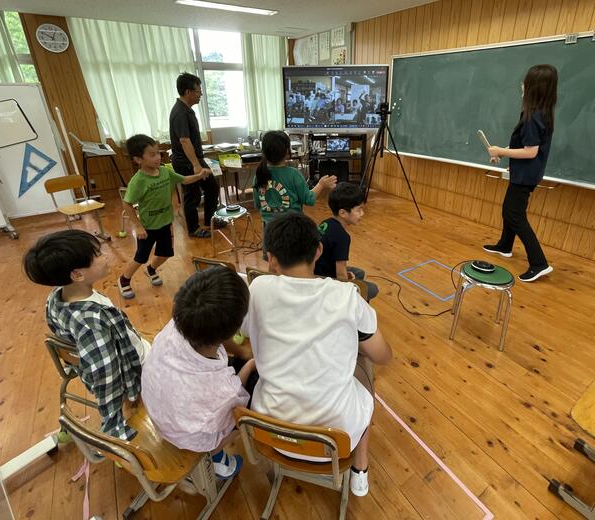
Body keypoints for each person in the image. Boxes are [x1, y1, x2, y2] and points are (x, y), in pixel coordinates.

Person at [242, 212, 392, 497]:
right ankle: (360, 468)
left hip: (269, 431)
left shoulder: (257, 288)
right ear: (319, 250)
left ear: (271, 259)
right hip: (335, 440)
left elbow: (241, 334)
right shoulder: (346, 294)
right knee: (366, 365)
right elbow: (383, 355)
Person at [23, 229, 148, 440]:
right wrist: (113, 422)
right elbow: (106, 375)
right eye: (98, 254)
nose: (105, 255)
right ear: (77, 275)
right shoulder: (92, 322)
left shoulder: (57, 296)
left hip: (105, 357)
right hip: (136, 368)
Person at [141, 266, 255, 479]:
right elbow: (234, 401)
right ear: (236, 327)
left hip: (158, 408)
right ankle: (216, 456)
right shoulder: (223, 390)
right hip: (189, 437)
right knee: (250, 409)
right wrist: (249, 364)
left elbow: (219, 340)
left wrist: (242, 352)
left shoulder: (179, 324)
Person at [485, 64, 557, 282]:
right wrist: (507, 157)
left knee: (515, 215)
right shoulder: (540, 113)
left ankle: (539, 263)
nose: (522, 85)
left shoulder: (533, 116)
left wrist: (500, 151)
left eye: (526, 82)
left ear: (534, 87)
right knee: (510, 211)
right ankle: (505, 246)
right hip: (525, 172)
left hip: (526, 176)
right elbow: (526, 148)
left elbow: (530, 151)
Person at [118, 134, 210, 299]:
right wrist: (137, 226)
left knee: (166, 253)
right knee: (141, 257)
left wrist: (199, 175)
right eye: (152, 155)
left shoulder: (165, 171)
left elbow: (183, 180)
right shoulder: (138, 181)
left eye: (158, 153)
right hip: (148, 227)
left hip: (165, 223)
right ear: (138, 159)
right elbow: (127, 203)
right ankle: (124, 279)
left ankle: (151, 269)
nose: (158, 157)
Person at [169, 72, 222, 238]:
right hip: (186, 162)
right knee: (192, 195)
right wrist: (196, 165)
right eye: (198, 91)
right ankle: (193, 228)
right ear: (188, 92)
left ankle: (210, 219)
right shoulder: (180, 112)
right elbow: (184, 140)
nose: (200, 95)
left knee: (212, 187)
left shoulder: (187, 110)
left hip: (194, 159)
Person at [253, 130, 336, 227]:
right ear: (287, 151)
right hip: (292, 227)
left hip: (269, 228)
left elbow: (257, 205)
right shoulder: (293, 174)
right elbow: (309, 199)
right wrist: (321, 184)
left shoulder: (258, 175)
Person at [314, 182, 379, 301]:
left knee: (359, 272)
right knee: (372, 289)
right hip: (322, 281)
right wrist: (348, 285)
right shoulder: (342, 237)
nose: (362, 213)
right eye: (359, 210)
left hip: (316, 271)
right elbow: (340, 273)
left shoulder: (326, 222)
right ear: (343, 213)